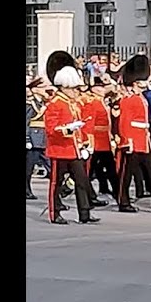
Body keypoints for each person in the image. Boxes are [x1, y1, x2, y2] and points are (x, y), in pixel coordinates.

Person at [42, 53, 100, 225]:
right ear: (65, 87)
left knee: (81, 180)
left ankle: (84, 212)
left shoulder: (73, 104)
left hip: (74, 149)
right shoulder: (55, 103)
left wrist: (84, 142)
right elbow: (51, 128)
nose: (77, 91)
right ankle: (55, 213)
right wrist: (67, 129)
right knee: (56, 183)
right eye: (74, 88)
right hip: (59, 149)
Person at [115, 55, 151, 213]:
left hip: (144, 140)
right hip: (133, 141)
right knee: (126, 174)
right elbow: (125, 122)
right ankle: (123, 201)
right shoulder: (128, 99)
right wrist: (126, 141)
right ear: (135, 82)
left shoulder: (141, 97)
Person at [85, 77, 118, 201]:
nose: (102, 89)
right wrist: (89, 141)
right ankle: (88, 195)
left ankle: (118, 193)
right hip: (96, 140)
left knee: (110, 169)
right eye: (99, 87)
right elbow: (89, 123)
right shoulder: (93, 102)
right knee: (89, 171)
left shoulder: (102, 101)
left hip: (104, 140)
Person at [25, 77, 50, 201]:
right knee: (29, 168)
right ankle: (26, 190)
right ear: (34, 89)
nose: (45, 89)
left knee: (50, 165)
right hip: (33, 139)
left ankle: (63, 189)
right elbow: (26, 122)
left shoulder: (43, 103)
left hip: (43, 139)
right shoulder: (30, 104)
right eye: (42, 87)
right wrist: (27, 139)